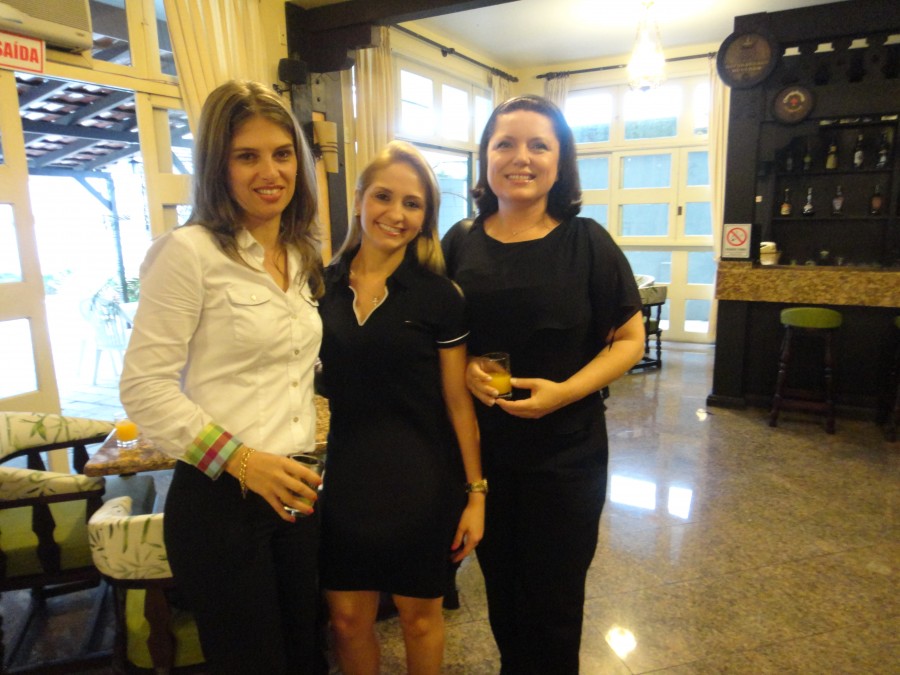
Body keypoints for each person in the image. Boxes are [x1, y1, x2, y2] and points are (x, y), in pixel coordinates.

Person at [120, 80, 328, 674]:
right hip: (221, 500)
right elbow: (143, 388)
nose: (270, 172)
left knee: (306, 658)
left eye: (282, 154)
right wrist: (241, 461)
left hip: (295, 489)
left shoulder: (300, 255)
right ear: (218, 166)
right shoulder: (188, 253)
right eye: (247, 156)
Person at [441, 95, 645, 674]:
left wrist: (566, 391)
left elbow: (629, 339)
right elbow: (440, 339)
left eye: (539, 145)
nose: (521, 157)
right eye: (505, 144)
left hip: (566, 455)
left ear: (560, 162)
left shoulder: (588, 242)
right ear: (486, 157)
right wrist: (468, 365)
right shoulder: (459, 243)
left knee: (553, 602)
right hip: (484, 456)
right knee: (503, 594)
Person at [317, 140, 484, 675]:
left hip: (422, 484)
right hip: (346, 481)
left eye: (413, 204)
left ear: (426, 218)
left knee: (419, 622)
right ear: (359, 199)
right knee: (347, 622)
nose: (396, 213)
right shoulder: (320, 288)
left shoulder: (440, 296)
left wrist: (476, 494)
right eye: (384, 196)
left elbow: (458, 403)